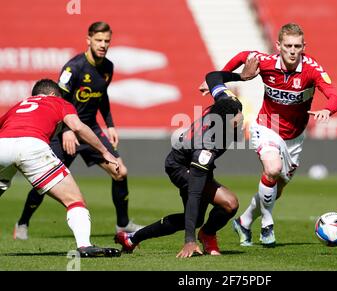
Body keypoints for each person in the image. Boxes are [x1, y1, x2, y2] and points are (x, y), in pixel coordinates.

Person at [199, 23, 337, 247]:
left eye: (297, 46)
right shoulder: (265, 62)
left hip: (294, 137)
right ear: (278, 46)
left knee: (276, 189)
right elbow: (242, 56)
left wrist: (327, 109)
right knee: (272, 169)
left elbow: (335, 96)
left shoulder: (312, 70)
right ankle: (267, 223)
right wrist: (221, 80)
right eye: (288, 46)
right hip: (266, 126)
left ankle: (244, 222)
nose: (293, 51)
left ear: (304, 46)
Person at [13, 21, 143, 240]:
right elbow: (57, 101)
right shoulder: (73, 68)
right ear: (88, 40)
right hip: (66, 129)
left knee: (120, 171)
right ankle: (23, 223)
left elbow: (102, 97)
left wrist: (109, 124)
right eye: (99, 40)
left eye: (107, 41)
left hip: (90, 130)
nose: (103, 45)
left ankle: (123, 225)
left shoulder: (108, 67)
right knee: (45, 178)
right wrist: (66, 130)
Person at [114, 66, 258, 258]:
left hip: (192, 160)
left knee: (201, 216)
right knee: (228, 204)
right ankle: (203, 235)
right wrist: (189, 241)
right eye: (236, 122)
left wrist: (241, 76)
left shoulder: (228, 101)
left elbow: (212, 76)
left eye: (240, 117)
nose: (240, 121)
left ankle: (132, 238)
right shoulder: (207, 147)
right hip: (181, 166)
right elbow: (195, 193)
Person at [0, 79, 121, 257]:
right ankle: (84, 245)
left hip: (3, 145)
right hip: (32, 145)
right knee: (74, 200)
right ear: (53, 94)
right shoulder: (58, 101)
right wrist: (104, 152)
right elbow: (78, 127)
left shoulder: (19, 105)